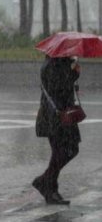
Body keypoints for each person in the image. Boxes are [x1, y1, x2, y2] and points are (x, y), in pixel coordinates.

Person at [33, 56, 81, 205]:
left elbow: (64, 87)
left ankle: (47, 184)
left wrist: (73, 74)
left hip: (61, 114)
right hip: (55, 115)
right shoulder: (52, 65)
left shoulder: (60, 63)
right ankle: (49, 187)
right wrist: (73, 74)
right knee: (62, 151)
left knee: (68, 150)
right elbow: (57, 88)